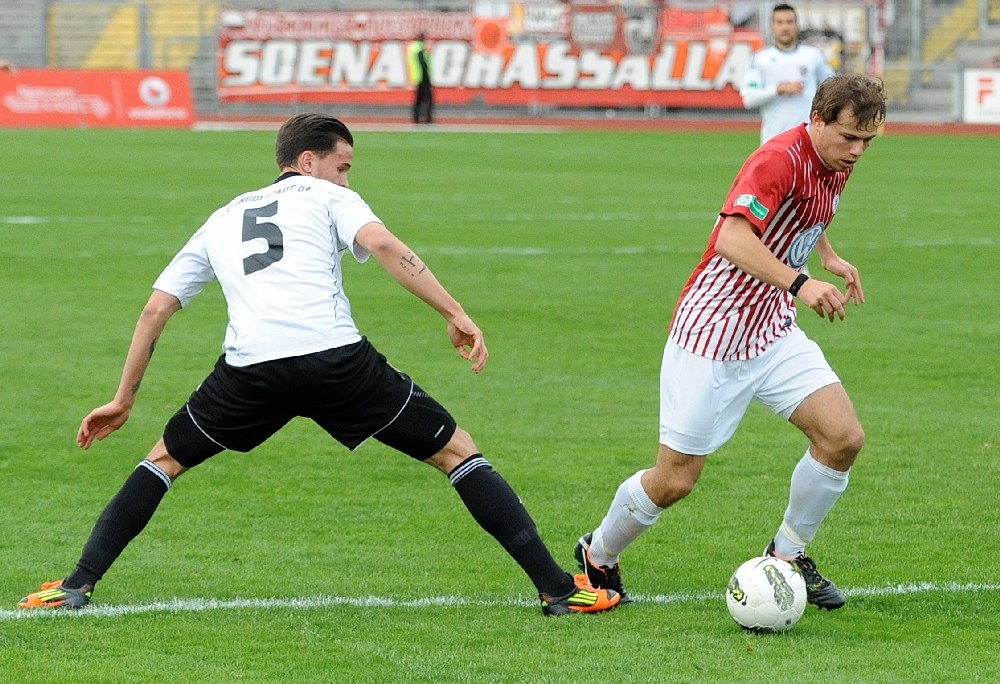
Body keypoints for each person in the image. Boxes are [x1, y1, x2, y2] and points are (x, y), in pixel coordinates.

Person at [19, 114, 619, 617]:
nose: (347, 177)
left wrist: (123, 398)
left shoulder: (222, 217)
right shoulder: (329, 196)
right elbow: (383, 245)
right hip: (336, 362)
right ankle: (558, 590)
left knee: (163, 461)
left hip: (251, 371)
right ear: (309, 162)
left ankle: (76, 584)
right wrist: (454, 312)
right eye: (343, 165)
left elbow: (156, 308)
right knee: (457, 452)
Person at [573, 73, 886, 612]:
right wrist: (802, 282)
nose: (857, 151)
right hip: (712, 334)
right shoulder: (777, 159)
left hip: (771, 329)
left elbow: (808, 210)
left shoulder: (835, 160)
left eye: (867, 141)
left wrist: (828, 255)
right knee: (675, 480)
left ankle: (786, 555)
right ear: (816, 120)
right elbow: (732, 237)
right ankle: (597, 553)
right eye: (849, 137)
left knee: (842, 438)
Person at [741, 4, 835, 145]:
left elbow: (832, 87)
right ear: (772, 26)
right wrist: (779, 89)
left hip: (807, 140)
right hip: (773, 140)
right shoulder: (761, 59)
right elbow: (749, 99)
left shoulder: (813, 55)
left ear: (797, 25)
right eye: (780, 22)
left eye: (789, 22)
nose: (785, 27)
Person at [407, 34, 433, 124]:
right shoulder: (419, 48)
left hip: (417, 77)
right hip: (423, 78)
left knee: (418, 99)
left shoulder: (413, 47)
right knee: (427, 99)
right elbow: (423, 63)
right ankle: (428, 118)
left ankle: (416, 118)